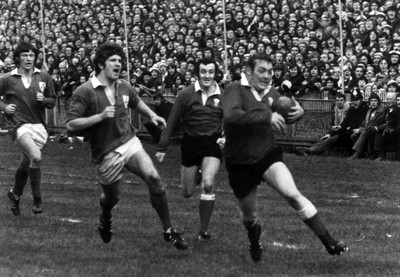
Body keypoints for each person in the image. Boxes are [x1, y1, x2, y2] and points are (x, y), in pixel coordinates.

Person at [222, 53, 347, 262]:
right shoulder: (234, 89)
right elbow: (232, 115)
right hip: (239, 161)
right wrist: (267, 116)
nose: (267, 76)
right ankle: (254, 238)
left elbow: (281, 116)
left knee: (291, 193)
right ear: (247, 71)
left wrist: (297, 114)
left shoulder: (271, 93)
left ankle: (330, 242)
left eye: (270, 72)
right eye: (261, 70)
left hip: (266, 154)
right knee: (249, 217)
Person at [66, 43, 188, 249]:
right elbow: (70, 124)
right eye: (113, 60)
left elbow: (135, 101)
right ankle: (105, 217)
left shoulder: (123, 85)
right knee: (112, 198)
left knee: (154, 179)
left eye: (120, 61)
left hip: (129, 142)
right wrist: (100, 116)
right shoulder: (85, 91)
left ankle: (169, 230)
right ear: (100, 64)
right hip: (106, 152)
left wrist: (152, 114)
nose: (118, 64)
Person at [156, 58, 223, 241]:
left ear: (215, 73)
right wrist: (163, 145)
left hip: (212, 144)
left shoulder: (222, 95)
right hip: (190, 144)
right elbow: (173, 120)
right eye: (203, 71)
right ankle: (198, 174)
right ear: (197, 73)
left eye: (210, 71)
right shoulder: (186, 94)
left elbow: (232, 120)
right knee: (187, 192)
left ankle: (203, 230)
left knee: (208, 184)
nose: (207, 75)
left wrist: (227, 137)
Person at [0, 42, 56, 215]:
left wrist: (44, 100)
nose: (28, 59)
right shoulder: (7, 78)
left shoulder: (44, 77)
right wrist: (4, 108)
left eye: (31, 55)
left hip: (39, 127)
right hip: (18, 125)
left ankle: (15, 195)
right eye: (25, 55)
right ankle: (37, 200)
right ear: (18, 58)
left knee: (26, 164)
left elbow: (52, 100)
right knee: (36, 157)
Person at [349, 93, 386, 159]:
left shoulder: (381, 111)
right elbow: (363, 123)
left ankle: (356, 154)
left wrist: (360, 130)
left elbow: (373, 125)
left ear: (378, 102)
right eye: (371, 101)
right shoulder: (369, 111)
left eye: (375, 101)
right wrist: (359, 129)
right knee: (353, 136)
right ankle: (363, 153)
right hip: (368, 130)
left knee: (364, 133)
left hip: (375, 132)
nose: (373, 103)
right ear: (369, 102)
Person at [374, 92, 400, 160]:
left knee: (379, 133)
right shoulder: (385, 110)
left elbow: (398, 124)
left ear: (395, 101)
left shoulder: (398, 110)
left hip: (394, 131)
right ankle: (371, 154)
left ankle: (381, 156)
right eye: (387, 99)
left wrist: (393, 130)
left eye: (390, 99)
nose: (388, 101)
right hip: (384, 129)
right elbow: (381, 121)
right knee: (373, 131)